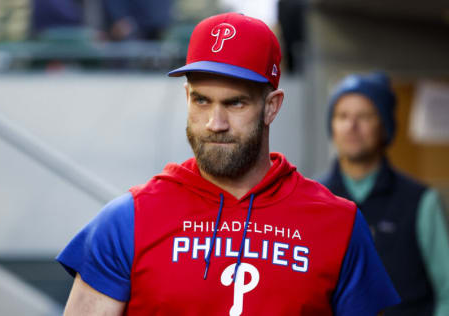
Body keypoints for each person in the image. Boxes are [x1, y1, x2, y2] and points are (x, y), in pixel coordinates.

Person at [57, 13, 400, 315]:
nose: (214, 123)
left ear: (272, 107)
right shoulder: (125, 221)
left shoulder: (337, 224)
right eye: (202, 101)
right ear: (187, 98)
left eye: (235, 103)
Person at [319, 72, 449, 316]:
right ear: (332, 126)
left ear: (385, 126)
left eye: (364, 116)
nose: (351, 126)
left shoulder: (421, 201)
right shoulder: (314, 199)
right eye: (342, 116)